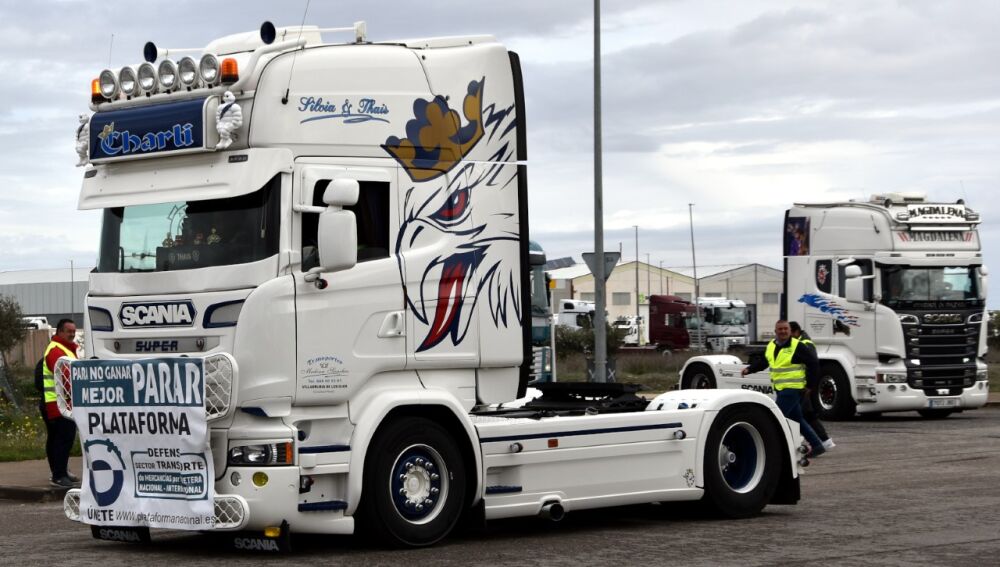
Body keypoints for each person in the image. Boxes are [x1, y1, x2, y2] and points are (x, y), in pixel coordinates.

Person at [742, 320, 826, 457]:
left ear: (789, 331)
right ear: (775, 332)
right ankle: (817, 445)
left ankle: (770, 451)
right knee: (797, 418)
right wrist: (749, 369)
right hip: (781, 388)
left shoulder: (797, 346)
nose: (783, 331)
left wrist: (810, 385)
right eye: (780, 329)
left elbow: (814, 364)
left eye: (785, 329)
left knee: (775, 418)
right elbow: (764, 362)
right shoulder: (771, 346)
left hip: (793, 389)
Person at [39, 319, 80, 488]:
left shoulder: (64, 349)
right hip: (58, 403)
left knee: (57, 439)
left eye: (73, 331)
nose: (72, 334)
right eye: (69, 331)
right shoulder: (56, 350)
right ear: (60, 332)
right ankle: (58, 475)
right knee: (64, 439)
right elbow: (66, 376)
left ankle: (60, 471)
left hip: (57, 402)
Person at [789, 321, 835, 450]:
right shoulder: (803, 342)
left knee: (800, 415)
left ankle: (819, 442)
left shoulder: (803, 344)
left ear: (796, 332)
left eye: (789, 332)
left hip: (802, 385)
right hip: (801, 385)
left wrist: (809, 385)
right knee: (806, 414)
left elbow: (812, 365)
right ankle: (824, 441)